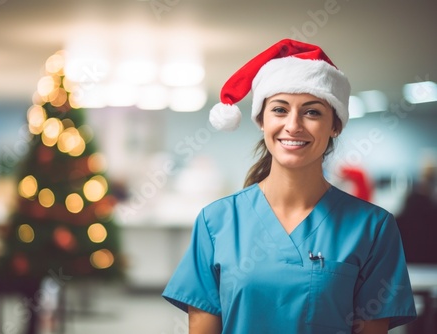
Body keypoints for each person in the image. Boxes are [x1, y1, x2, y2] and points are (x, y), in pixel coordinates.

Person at [162, 39, 417, 334]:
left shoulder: (373, 228)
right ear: (261, 120)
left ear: (335, 125)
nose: (293, 125)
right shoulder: (215, 222)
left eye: (312, 112)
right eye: (280, 110)